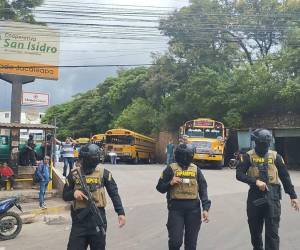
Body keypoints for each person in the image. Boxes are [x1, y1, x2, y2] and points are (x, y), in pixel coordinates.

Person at [236, 128, 299, 250]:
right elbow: (239, 174)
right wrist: (255, 182)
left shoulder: (276, 157)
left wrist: (293, 196)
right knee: (255, 232)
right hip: (255, 196)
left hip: (273, 196)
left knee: (272, 233)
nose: (263, 145)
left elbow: (285, 177)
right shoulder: (248, 156)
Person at [63, 143, 126, 250]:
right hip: (79, 220)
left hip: (98, 218)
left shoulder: (104, 173)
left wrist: (120, 212)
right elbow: (65, 195)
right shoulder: (74, 174)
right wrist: (74, 194)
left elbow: (114, 193)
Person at [156, 143, 211, 250]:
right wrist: (170, 183)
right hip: (176, 210)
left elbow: (203, 189)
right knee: (175, 242)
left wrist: (205, 208)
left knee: (191, 245)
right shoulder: (170, 169)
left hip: (193, 210)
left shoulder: (196, 170)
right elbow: (159, 187)